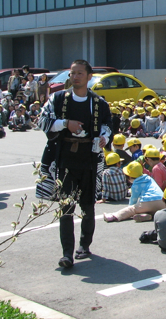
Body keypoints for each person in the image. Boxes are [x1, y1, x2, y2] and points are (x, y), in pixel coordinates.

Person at [37, 60, 112, 269]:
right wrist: (65, 124)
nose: (75, 77)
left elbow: (108, 125)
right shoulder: (58, 98)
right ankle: (67, 253)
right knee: (66, 208)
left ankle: (85, 245)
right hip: (64, 160)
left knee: (88, 207)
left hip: (89, 160)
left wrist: (105, 137)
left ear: (89, 77)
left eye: (80, 73)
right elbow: (42, 121)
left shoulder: (98, 103)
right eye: (72, 73)